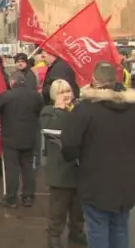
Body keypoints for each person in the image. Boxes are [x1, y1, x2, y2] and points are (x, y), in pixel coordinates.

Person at [61, 62, 135, 248]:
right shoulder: (131, 109)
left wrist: (74, 158)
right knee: (120, 226)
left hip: (94, 180)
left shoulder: (86, 109)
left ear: (94, 80)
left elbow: (69, 143)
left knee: (97, 228)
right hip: (126, 182)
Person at [40, 79, 86, 248]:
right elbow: (48, 128)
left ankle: (77, 232)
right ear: (54, 95)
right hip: (59, 168)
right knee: (58, 207)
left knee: (78, 207)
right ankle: (54, 236)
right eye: (61, 92)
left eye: (67, 91)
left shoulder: (79, 110)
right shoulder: (48, 111)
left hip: (79, 167)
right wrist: (59, 110)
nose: (66, 95)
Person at [0, 71, 43, 208]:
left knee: (11, 168)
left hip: (11, 137)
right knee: (27, 167)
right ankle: (28, 197)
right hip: (29, 136)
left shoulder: (7, 96)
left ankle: (11, 197)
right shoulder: (36, 96)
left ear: (12, 82)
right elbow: (39, 111)